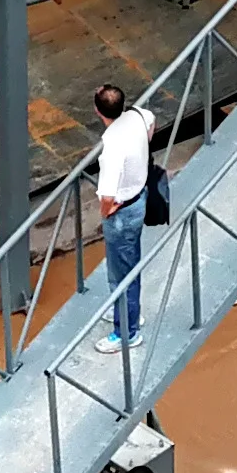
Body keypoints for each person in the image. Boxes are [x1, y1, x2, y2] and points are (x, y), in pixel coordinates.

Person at [91, 81, 153, 352]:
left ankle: (127, 333)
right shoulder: (138, 116)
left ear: (98, 112)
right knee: (130, 262)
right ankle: (129, 311)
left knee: (121, 273)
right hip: (139, 199)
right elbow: (152, 123)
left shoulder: (113, 145)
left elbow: (106, 196)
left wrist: (107, 212)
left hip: (122, 212)